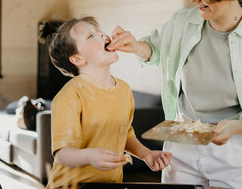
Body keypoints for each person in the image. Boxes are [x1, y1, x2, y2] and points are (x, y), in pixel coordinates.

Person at [107, 0, 242, 188]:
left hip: (235, 145)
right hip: (182, 139)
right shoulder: (182, 21)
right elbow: (159, 50)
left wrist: (234, 127)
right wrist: (136, 46)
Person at [39, 16, 172, 189]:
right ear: (78, 59)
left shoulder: (124, 90)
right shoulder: (70, 95)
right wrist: (89, 156)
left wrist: (146, 155)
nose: (102, 34)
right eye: (90, 36)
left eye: (99, 31)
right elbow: (63, 154)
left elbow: (125, 135)